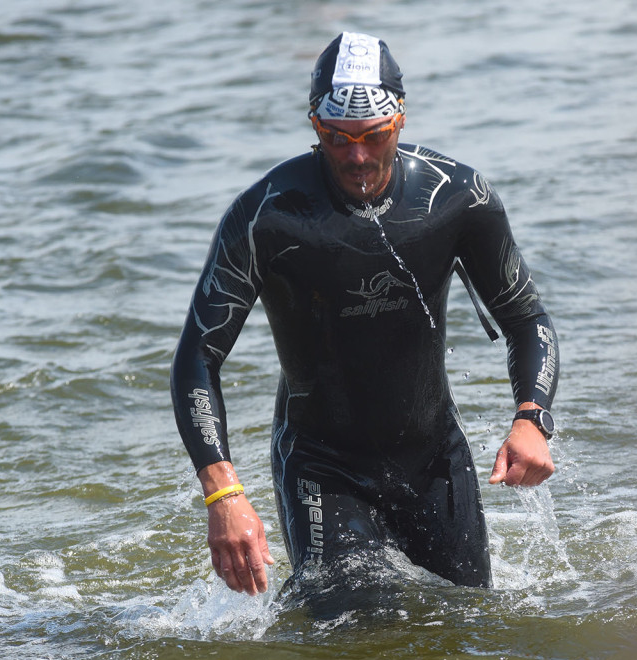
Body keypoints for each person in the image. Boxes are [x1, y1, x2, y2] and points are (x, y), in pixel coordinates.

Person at [170, 31, 559, 597]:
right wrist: (222, 494)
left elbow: (527, 320)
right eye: (337, 137)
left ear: (399, 119)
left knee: (470, 626)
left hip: (431, 459)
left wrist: (532, 418)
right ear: (314, 125)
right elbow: (197, 358)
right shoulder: (267, 218)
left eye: (373, 135)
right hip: (323, 467)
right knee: (352, 626)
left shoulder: (457, 199)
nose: (356, 156)